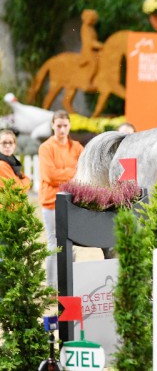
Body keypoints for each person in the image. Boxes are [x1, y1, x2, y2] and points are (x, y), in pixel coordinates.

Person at [38, 110, 84, 289]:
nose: (62, 129)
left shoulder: (77, 147)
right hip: (51, 201)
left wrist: (64, 174)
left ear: (70, 125)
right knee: (53, 244)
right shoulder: (46, 148)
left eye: (65, 125)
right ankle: (51, 286)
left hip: (73, 201)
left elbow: (84, 171)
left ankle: (71, 284)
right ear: (52, 126)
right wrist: (73, 173)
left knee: (71, 245)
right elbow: (49, 176)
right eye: (58, 126)